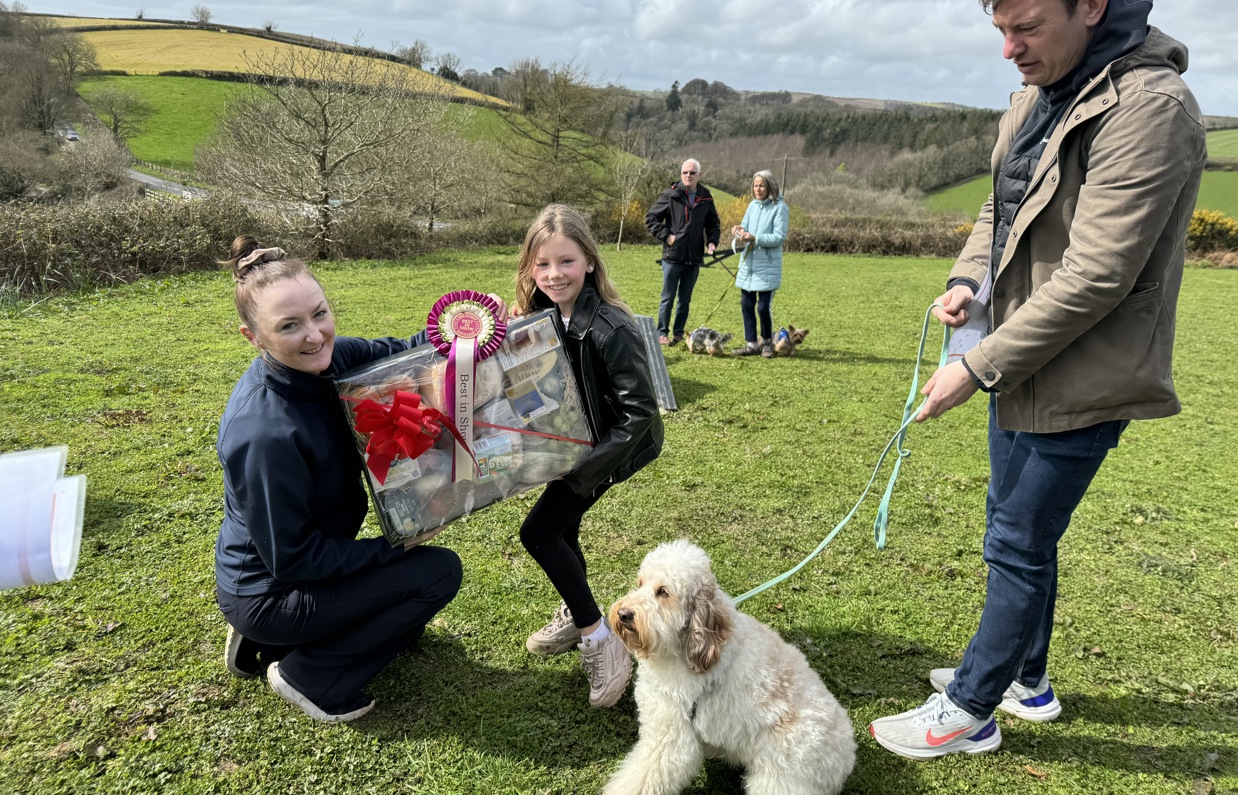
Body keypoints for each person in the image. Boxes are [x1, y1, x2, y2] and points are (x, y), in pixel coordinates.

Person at [868, 0, 1206, 760]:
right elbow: (1002, 206)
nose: (1009, 50)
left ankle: (972, 708)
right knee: (1015, 526)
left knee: (1018, 538)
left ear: (1090, 6)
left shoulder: (1152, 106)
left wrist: (975, 367)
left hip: (1087, 366)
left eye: (1026, 28)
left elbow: (1097, 275)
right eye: (1000, 31)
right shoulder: (1035, 97)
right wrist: (969, 283)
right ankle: (1028, 678)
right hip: (1021, 356)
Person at [215, 236, 505, 722]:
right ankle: (311, 674)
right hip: (273, 589)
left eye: (320, 314)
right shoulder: (263, 432)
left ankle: (270, 641)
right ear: (254, 337)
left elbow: (407, 352)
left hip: (299, 573)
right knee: (436, 573)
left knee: (405, 609)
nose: (314, 335)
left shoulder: (333, 362)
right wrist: (396, 548)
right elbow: (293, 559)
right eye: (289, 326)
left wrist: (473, 329)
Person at [513, 204, 664, 707]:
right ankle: (573, 608)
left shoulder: (611, 327)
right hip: (569, 443)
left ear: (591, 263)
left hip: (607, 449)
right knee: (563, 531)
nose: (554, 274)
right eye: (542, 264)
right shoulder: (544, 315)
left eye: (566, 262)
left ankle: (599, 638)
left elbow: (639, 411)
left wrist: (585, 472)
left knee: (538, 531)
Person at [645, 158, 721, 346]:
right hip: (673, 256)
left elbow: (713, 224)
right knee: (668, 297)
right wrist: (666, 235)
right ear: (681, 175)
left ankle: (679, 333)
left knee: (685, 299)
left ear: (699, 175)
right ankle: (662, 333)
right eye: (685, 172)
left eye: (692, 173)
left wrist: (712, 243)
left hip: (693, 258)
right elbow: (651, 218)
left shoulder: (706, 197)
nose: (688, 176)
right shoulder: (671, 195)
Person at [730, 169, 790, 358]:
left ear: (770, 186)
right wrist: (739, 231)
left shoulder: (780, 208)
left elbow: (779, 237)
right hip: (749, 265)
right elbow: (745, 226)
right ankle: (751, 344)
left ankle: (766, 343)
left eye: (761, 185)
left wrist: (755, 237)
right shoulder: (752, 206)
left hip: (768, 266)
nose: (758, 189)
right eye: (755, 185)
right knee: (746, 305)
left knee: (763, 307)